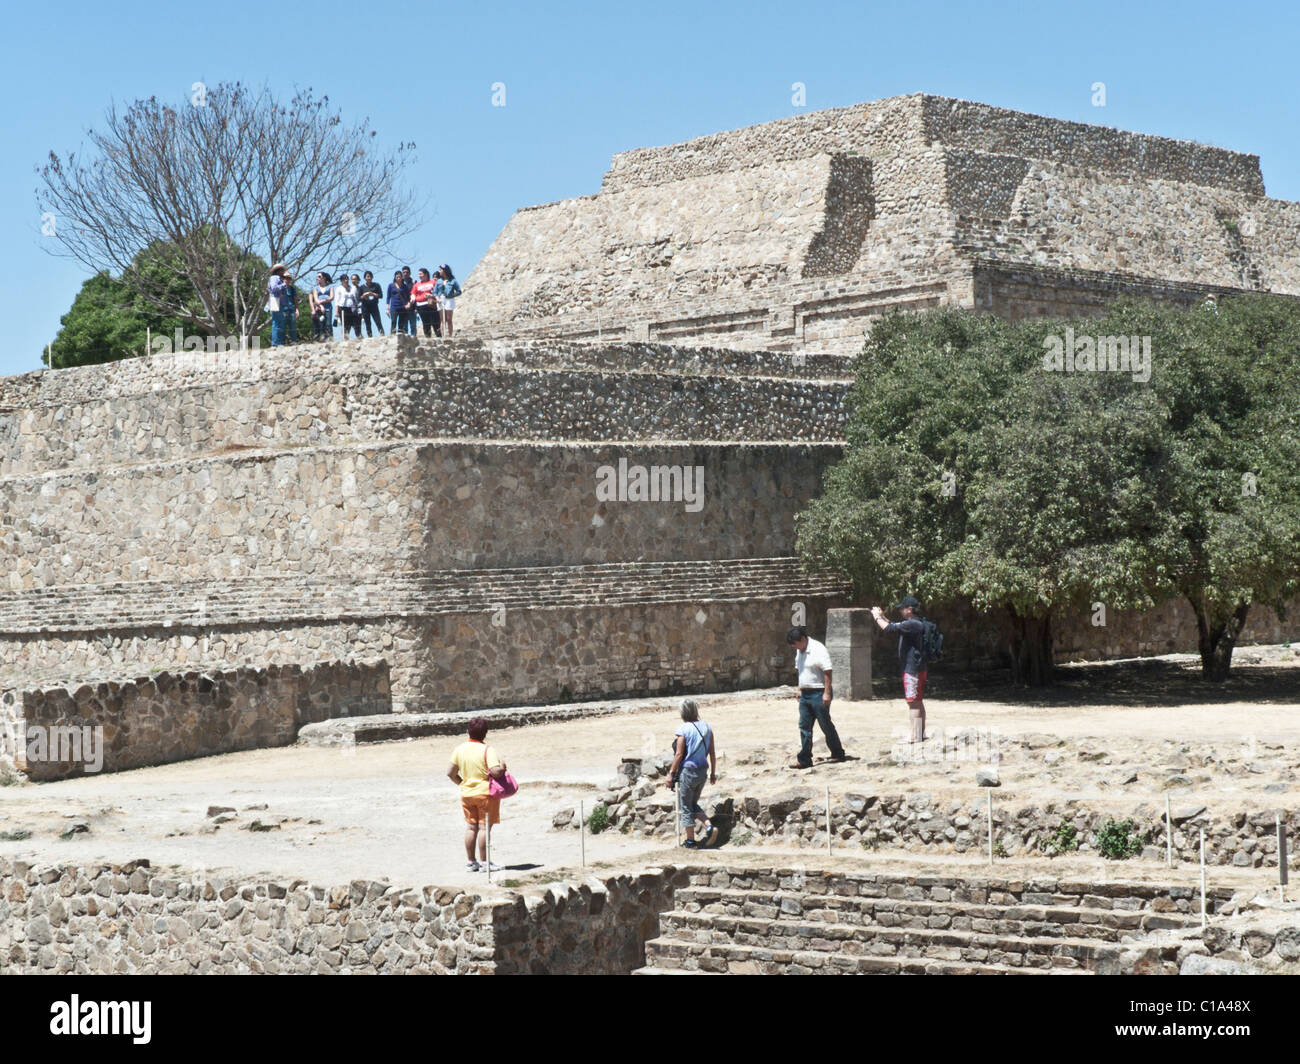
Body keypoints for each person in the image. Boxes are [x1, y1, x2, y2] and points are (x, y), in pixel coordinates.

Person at [447, 717, 508, 872]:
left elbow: (450, 773)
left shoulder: (459, 749)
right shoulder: (488, 750)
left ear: (468, 731)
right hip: (485, 793)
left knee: (470, 828)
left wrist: (462, 783)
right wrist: (503, 766)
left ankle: (471, 861)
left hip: (467, 794)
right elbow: (496, 771)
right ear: (485, 733)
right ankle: (484, 862)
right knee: (483, 828)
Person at [785, 625, 846, 769]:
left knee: (825, 724)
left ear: (803, 639)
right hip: (806, 693)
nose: (795, 647)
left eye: (796, 644)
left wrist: (827, 692)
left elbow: (827, 670)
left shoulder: (818, 648)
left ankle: (838, 753)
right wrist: (799, 688)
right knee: (804, 726)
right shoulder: (800, 651)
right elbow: (800, 670)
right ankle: (805, 759)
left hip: (819, 692)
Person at [871, 596, 928, 744]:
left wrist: (877, 617)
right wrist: (883, 616)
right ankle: (920, 734)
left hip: (912, 669)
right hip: (918, 668)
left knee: (913, 702)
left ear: (909, 609)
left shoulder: (912, 624)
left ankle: (914, 736)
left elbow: (889, 628)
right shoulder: (916, 623)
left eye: (902, 608)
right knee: (918, 701)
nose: (900, 611)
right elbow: (895, 625)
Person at [665, 698, 718, 848]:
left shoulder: (683, 729)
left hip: (688, 772)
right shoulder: (707, 728)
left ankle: (690, 841)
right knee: (692, 804)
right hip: (703, 771)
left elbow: (679, 754)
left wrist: (671, 774)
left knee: (686, 807)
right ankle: (709, 827)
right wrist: (713, 773)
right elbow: (712, 752)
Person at [409, 267, 441, 338]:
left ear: (426, 274)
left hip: (431, 304)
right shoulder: (417, 284)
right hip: (421, 305)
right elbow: (413, 293)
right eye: (419, 274)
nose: (419, 276)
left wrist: (431, 295)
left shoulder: (432, 282)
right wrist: (412, 298)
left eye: (421, 274)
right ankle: (428, 337)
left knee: (435, 321)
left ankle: (439, 336)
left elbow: (438, 292)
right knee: (425, 322)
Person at [435, 264, 461, 338]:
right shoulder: (439, 281)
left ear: (444, 270)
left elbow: (459, 291)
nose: (439, 271)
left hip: (449, 299)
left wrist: (453, 295)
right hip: (440, 299)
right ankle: (443, 336)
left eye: (440, 270)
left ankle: (450, 335)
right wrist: (437, 299)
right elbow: (435, 292)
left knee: (449, 319)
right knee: (442, 319)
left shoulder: (453, 280)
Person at [266, 264, 289, 347]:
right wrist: (283, 285)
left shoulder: (279, 279)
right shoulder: (274, 278)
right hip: (275, 300)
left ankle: (278, 342)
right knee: (277, 322)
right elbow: (274, 288)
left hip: (278, 301)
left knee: (279, 321)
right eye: (282, 270)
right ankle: (276, 343)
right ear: (278, 271)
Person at [334, 274, 362, 339]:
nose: (346, 280)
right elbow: (336, 301)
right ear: (341, 281)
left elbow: (356, 299)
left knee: (356, 323)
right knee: (346, 325)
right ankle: (346, 338)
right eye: (344, 279)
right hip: (343, 308)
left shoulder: (353, 288)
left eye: (347, 279)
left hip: (352, 308)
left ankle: (359, 336)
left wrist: (358, 308)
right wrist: (337, 311)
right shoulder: (339, 289)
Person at [359, 271, 385, 336]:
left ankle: (382, 334)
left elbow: (381, 295)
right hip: (365, 307)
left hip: (374, 306)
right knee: (367, 323)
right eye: (367, 276)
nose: (369, 278)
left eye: (370, 276)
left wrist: (373, 294)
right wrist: (364, 295)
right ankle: (370, 336)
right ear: (365, 278)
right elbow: (359, 298)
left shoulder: (376, 285)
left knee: (378, 321)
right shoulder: (361, 287)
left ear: (372, 277)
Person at [310, 272, 334, 341]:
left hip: (328, 308)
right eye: (317, 277)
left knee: (328, 323)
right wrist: (321, 306)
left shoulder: (330, 287)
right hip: (319, 308)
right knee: (320, 323)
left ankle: (329, 338)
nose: (318, 278)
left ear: (324, 278)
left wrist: (323, 301)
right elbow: (316, 299)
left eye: (319, 277)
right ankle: (321, 338)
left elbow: (332, 297)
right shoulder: (316, 288)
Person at [387, 270, 411, 337]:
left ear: (402, 277)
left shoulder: (405, 286)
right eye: (397, 277)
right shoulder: (391, 286)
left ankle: (400, 337)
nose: (398, 278)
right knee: (393, 321)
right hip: (394, 307)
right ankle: (392, 336)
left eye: (400, 277)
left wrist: (408, 304)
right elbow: (388, 297)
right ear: (395, 277)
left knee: (401, 323)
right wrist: (387, 308)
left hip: (403, 307)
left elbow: (408, 297)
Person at [282, 272, 299, 343]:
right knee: (282, 327)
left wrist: (297, 310)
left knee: (293, 326)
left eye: (289, 278)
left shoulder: (292, 289)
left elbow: (295, 300)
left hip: (291, 310)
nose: (287, 280)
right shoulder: (280, 288)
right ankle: (281, 342)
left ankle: (293, 341)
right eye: (285, 278)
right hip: (283, 310)